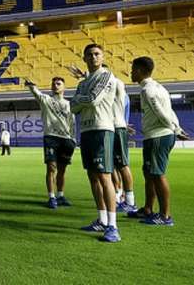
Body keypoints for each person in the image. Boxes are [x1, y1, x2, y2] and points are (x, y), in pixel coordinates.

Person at [69, 44, 120, 243]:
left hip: (102, 129)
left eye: (97, 54)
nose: (93, 57)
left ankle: (113, 226)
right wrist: (82, 100)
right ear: (84, 58)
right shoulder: (83, 83)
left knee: (105, 176)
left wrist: (80, 100)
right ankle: (101, 219)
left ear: (103, 56)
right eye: (89, 54)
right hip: (87, 131)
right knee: (92, 176)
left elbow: (92, 100)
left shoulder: (106, 75)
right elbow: (73, 107)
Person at [129, 56, 187, 226]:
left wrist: (175, 129)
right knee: (149, 172)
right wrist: (177, 127)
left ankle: (165, 216)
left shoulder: (148, 91)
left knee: (157, 174)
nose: (131, 72)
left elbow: (161, 113)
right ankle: (148, 209)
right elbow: (169, 111)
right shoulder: (159, 87)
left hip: (158, 136)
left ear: (139, 71)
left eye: (133, 69)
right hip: (158, 134)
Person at [26, 76, 76, 209]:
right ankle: (51, 197)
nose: (56, 86)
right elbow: (36, 93)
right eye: (53, 84)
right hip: (51, 138)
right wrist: (32, 86)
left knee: (62, 170)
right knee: (51, 168)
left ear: (64, 87)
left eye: (59, 84)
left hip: (66, 140)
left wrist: (73, 139)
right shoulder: (46, 100)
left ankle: (60, 195)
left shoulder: (69, 104)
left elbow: (72, 123)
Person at [111, 74, 137, 213]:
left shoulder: (118, 87)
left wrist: (124, 125)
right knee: (113, 165)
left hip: (117, 128)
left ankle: (130, 200)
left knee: (122, 165)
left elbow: (122, 112)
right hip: (109, 128)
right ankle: (118, 193)